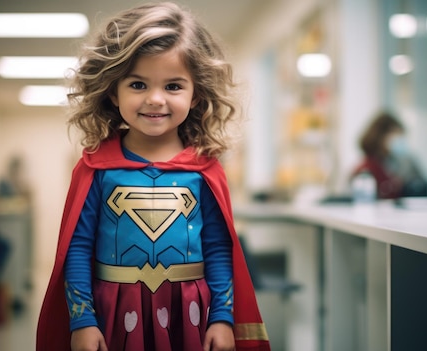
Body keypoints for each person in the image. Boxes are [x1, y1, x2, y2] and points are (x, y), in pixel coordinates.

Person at [36, 3, 270, 351]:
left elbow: (219, 249)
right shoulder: (96, 168)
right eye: (138, 84)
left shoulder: (205, 170)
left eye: (174, 85)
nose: (155, 99)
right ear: (114, 92)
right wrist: (82, 320)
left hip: (188, 315)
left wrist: (222, 317)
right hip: (113, 313)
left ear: (196, 95)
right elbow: (78, 249)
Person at [351, 111, 427, 199]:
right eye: (397, 136)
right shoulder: (367, 167)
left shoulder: (392, 163)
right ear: (382, 136)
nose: (400, 141)